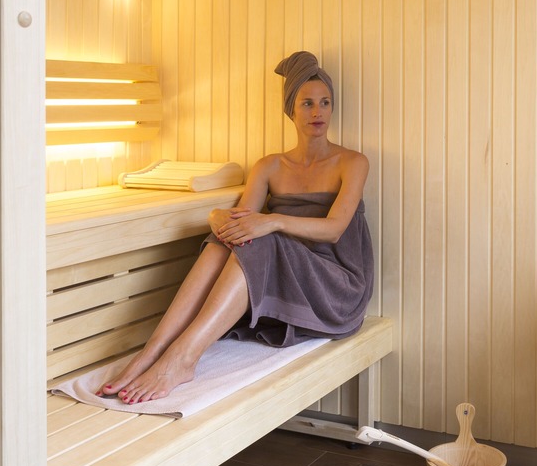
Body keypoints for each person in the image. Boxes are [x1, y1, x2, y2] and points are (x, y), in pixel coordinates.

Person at [101, 51, 374, 404]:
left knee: (261, 239)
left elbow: (335, 229)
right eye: (307, 103)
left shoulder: (352, 162)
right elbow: (239, 225)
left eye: (325, 102)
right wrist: (217, 218)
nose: (318, 112)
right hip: (287, 274)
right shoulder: (270, 165)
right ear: (291, 110)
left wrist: (272, 220)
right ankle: (151, 352)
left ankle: (183, 357)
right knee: (225, 240)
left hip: (335, 286)